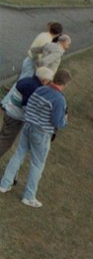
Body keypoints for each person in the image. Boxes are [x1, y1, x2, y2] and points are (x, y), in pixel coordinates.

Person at [0, 69, 70, 207]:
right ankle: (29, 196)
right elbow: (57, 122)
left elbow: (29, 104)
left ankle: (4, 184)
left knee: (18, 155)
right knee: (37, 164)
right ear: (65, 84)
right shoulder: (59, 99)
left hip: (28, 126)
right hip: (42, 132)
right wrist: (65, 120)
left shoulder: (40, 90)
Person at [0, 68, 54, 159]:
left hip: (9, 112)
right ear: (44, 80)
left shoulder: (26, 80)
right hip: (15, 118)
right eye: (49, 81)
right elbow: (27, 107)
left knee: (3, 136)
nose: (49, 84)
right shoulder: (33, 88)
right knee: (6, 142)